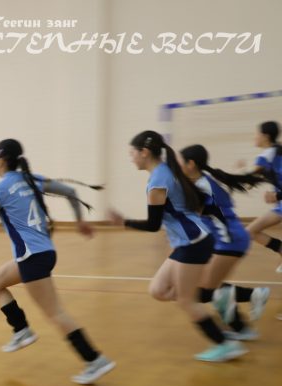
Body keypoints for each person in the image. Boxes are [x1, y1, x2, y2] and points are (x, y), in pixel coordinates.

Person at [0, 139, 114, 384]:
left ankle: (94, 360)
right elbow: (72, 192)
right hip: (42, 253)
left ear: (0, 160)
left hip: (32, 258)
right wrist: (79, 221)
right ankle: (21, 330)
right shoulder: (32, 180)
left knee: (55, 314)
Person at [108, 131, 245, 362]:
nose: (131, 158)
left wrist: (123, 222)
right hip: (188, 241)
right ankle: (218, 300)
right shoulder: (166, 171)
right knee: (158, 290)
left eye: (132, 153)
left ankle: (225, 343)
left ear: (144, 152)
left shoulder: (158, 182)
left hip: (194, 242)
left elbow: (153, 225)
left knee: (184, 300)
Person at [178, 144, 271, 340]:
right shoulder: (204, 181)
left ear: (191, 164)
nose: (178, 166)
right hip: (227, 239)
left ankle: (254, 295)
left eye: (180, 162)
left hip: (229, 241)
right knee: (211, 286)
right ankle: (241, 328)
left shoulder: (201, 186)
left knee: (205, 292)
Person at [245, 121, 282, 272]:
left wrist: (277, 195)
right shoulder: (274, 152)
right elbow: (251, 180)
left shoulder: (266, 156)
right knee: (250, 231)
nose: (255, 137)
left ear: (265, 136)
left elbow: (248, 180)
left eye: (257, 134)